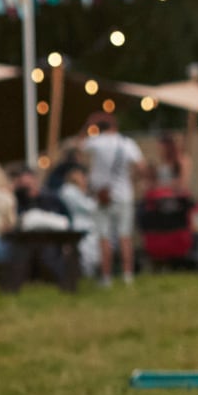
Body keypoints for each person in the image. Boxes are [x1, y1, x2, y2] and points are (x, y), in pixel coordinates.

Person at [79, 112, 147, 286]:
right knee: (125, 236)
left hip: (102, 196)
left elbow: (79, 145)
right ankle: (127, 275)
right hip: (124, 195)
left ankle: (107, 277)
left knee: (104, 237)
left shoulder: (96, 142)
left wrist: (88, 124)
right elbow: (142, 167)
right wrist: (132, 180)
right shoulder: (127, 143)